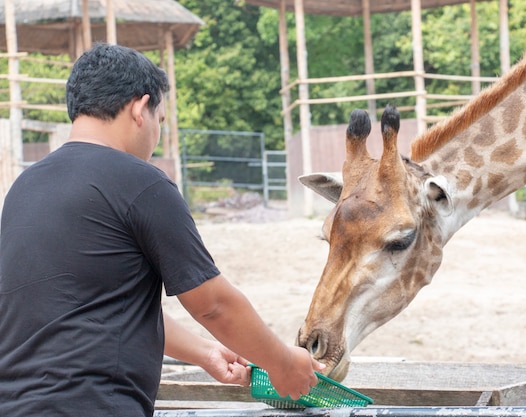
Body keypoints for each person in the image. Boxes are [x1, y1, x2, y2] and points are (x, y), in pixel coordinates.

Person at [0, 43, 323, 416]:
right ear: (140, 108)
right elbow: (214, 305)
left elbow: (99, 307)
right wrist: (283, 363)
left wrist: (204, 352)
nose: (157, 134)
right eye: (160, 120)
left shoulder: (25, 187)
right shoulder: (141, 183)